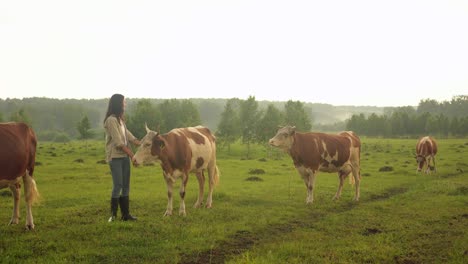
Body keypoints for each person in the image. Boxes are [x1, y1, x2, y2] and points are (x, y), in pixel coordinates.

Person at [103, 94, 140, 222]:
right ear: (119, 103)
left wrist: (140, 143)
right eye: (124, 102)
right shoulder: (111, 120)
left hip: (124, 157)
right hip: (115, 157)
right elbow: (119, 142)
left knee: (126, 185)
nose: (125, 104)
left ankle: (126, 214)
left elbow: (128, 135)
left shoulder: (120, 120)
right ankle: (113, 215)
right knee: (118, 185)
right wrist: (132, 155)